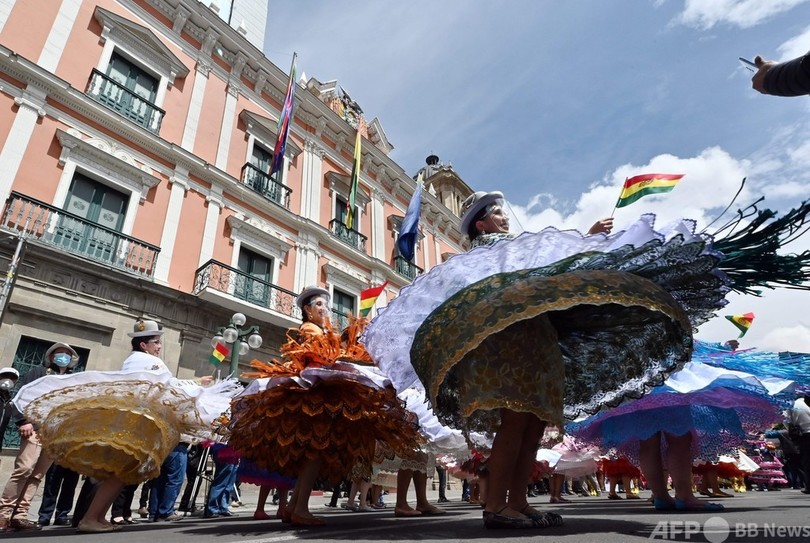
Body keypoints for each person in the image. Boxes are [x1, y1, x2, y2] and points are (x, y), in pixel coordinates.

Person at [366, 189, 810, 529]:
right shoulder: (485, 255)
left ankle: (518, 502)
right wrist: (588, 242)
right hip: (503, 343)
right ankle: (496, 505)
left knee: (535, 421)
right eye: (496, 212)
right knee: (515, 422)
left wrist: (595, 244)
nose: (504, 215)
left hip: (536, 337)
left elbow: (553, 271)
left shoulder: (520, 248)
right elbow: (529, 273)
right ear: (481, 225)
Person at [11, 318, 237, 533]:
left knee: (118, 473)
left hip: (126, 426)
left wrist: (196, 383)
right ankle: (91, 518)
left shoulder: (133, 360)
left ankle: (96, 517)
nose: (159, 347)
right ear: (144, 344)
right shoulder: (149, 362)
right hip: (133, 429)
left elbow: (161, 385)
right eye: (156, 342)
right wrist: (200, 387)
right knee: (121, 472)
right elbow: (168, 387)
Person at [227, 286, 422, 526]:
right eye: (318, 304)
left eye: (325, 304)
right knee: (315, 452)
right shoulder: (310, 329)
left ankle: (292, 507)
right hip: (316, 395)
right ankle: (300, 509)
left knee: (314, 452)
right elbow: (319, 357)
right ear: (307, 310)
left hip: (319, 393)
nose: (324, 309)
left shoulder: (320, 329)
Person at [0, 342, 79, 533]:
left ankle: (20, 515)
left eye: (67, 354)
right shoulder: (38, 373)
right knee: (24, 469)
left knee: (37, 475)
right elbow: (20, 397)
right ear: (51, 357)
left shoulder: (72, 380)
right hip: (34, 428)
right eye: (59, 353)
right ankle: (3, 515)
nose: (63, 356)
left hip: (54, 434)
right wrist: (23, 422)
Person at [787, 394, 810, 494]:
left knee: (807, 462)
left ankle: (809, 486)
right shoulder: (806, 404)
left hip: (805, 435)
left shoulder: (792, 405)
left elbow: (787, 421)